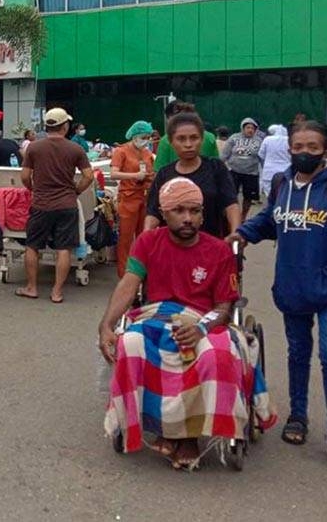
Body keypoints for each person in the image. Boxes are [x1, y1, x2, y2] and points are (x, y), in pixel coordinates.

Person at [99, 178, 274, 469]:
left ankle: (188, 435)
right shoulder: (148, 242)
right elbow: (129, 285)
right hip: (157, 316)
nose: (188, 218)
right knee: (130, 343)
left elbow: (223, 307)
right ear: (164, 214)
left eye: (194, 211)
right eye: (179, 210)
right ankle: (164, 428)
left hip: (205, 320)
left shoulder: (218, 251)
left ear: (203, 215)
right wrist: (106, 325)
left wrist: (201, 329)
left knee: (217, 353)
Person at [229, 120, 327, 473]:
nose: (304, 153)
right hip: (293, 284)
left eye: (312, 147)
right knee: (297, 353)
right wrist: (242, 235)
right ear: (289, 147)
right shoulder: (283, 184)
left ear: (325, 149)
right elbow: (270, 220)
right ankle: (298, 417)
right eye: (298, 146)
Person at [16, 108, 94, 304]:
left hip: (41, 204)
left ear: (47, 126)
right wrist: (75, 191)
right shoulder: (75, 149)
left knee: (32, 246)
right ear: (65, 126)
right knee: (63, 249)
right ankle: (57, 292)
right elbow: (89, 176)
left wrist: (33, 189)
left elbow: (25, 176)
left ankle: (32, 288)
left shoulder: (33, 148)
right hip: (67, 204)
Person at [145, 112, 240, 238]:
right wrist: (145, 238)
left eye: (194, 138)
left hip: (211, 247)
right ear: (171, 141)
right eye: (181, 139)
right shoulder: (164, 174)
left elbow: (231, 204)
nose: (188, 144)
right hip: (172, 249)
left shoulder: (216, 168)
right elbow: (153, 213)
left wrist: (236, 233)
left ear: (201, 139)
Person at [109, 121, 155, 277]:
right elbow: (114, 174)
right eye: (144, 137)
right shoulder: (121, 151)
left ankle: (142, 272)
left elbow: (152, 172)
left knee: (144, 237)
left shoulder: (147, 153)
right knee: (126, 239)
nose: (146, 140)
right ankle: (124, 274)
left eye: (148, 137)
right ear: (135, 136)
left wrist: (150, 178)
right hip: (128, 198)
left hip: (145, 197)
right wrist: (134, 176)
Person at [153, 101, 220, 172]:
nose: (188, 144)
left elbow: (158, 171)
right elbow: (216, 167)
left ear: (170, 119)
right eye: (181, 139)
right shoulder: (210, 137)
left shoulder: (165, 140)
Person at [221, 117, 264, 220]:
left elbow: (262, 157)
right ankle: (231, 215)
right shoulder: (234, 138)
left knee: (248, 197)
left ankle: (243, 216)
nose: (250, 130)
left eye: (252, 128)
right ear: (242, 128)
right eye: (248, 127)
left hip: (251, 173)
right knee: (231, 194)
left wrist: (265, 169)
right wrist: (219, 166)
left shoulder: (259, 141)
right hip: (234, 171)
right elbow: (225, 154)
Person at [258, 123, 290, 198]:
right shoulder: (289, 140)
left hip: (269, 172)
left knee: (270, 196)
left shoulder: (267, 139)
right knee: (283, 195)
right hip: (286, 172)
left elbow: (261, 154)